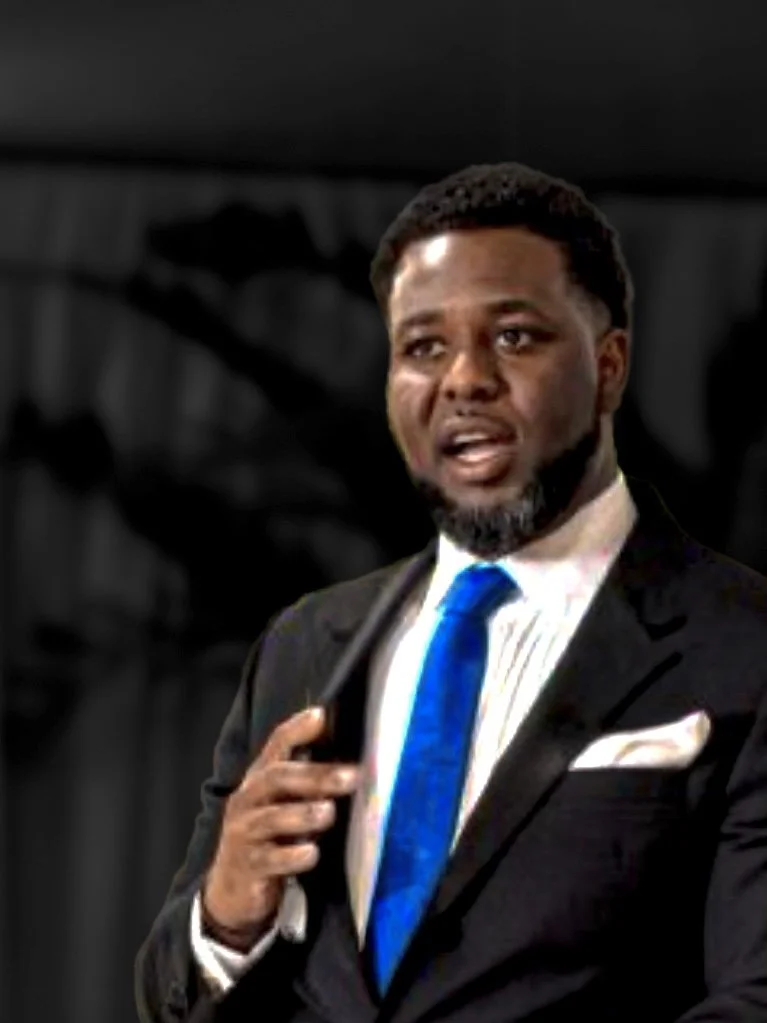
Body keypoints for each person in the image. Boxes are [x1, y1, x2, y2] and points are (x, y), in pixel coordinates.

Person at [135, 162, 767, 1023]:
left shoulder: (742, 644)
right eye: (422, 347)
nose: (462, 379)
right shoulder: (302, 644)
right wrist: (225, 916)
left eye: (513, 336)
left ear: (609, 366)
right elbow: (175, 991)